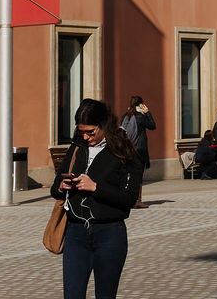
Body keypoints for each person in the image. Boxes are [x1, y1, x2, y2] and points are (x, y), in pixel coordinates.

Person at [52, 98, 142, 299]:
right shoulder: (77, 147)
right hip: (75, 233)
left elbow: (129, 199)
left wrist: (95, 187)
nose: (85, 136)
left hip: (109, 234)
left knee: (105, 295)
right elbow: (55, 189)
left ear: (104, 126)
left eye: (90, 132)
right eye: (81, 131)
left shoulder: (124, 152)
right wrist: (61, 186)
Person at [120, 96, 156, 209]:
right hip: (139, 150)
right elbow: (153, 126)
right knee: (138, 176)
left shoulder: (126, 116)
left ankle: (127, 199)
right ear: (141, 105)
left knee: (128, 175)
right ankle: (137, 200)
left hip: (128, 150)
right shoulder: (141, 116)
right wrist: (148, 112)